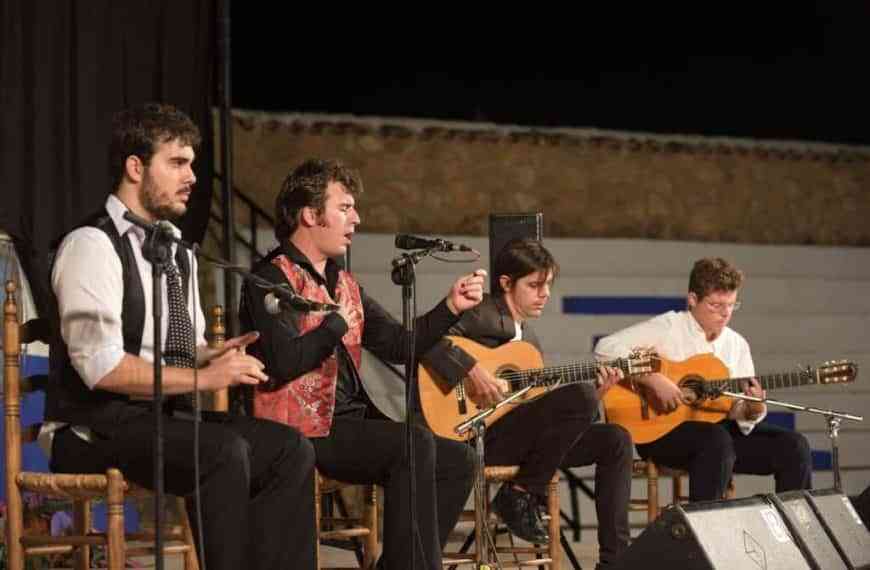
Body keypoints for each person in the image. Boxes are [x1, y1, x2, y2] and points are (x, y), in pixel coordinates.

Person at [42, 103, 316, 570]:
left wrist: (214, 352)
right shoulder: (90, 246)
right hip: (94, 428)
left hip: (163, 419)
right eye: (177, 163)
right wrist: (205, 380)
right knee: (222, 452)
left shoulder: (174, 249)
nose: (191, 176)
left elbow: (174, 347)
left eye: (191, 163)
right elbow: (101, 367)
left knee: (290, 449)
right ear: (135, 167)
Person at [239, 158, 482, 570]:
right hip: (299, 431)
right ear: (310, 215)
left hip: (348, 423)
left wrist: (450, 307)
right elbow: (281, 363)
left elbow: (399, 344)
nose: (357, 219)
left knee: (459, 461)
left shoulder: (344, 283)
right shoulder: (269, 278)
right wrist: (334, 326)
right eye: (345, 208)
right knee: (413, 443)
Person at [422, 238, 631, 568]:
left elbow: (548, 422)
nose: (544, 293)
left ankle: (615, 562)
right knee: (581, 396)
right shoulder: (480, 313)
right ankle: (519, 494)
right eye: (535, 285)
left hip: (520, 442)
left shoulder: (529, 340)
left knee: (615, 439)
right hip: (474, 435)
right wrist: (471, 370)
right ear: (506, 283)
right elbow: (422, 340)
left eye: (547, 285)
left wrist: (597, 396)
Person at [595, 257, 812, 502]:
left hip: (718, 434)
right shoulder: (670, 326)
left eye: (731, 305)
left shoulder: (737, 344)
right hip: (660, 431)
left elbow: (736, 411)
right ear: (693, 299)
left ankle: (795, 528)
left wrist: (753, 407)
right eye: (715, 305)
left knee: (794, 446)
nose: (725, 313)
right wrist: (652, 379)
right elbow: (606, 347)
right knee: (715, 440)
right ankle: (705, 531)